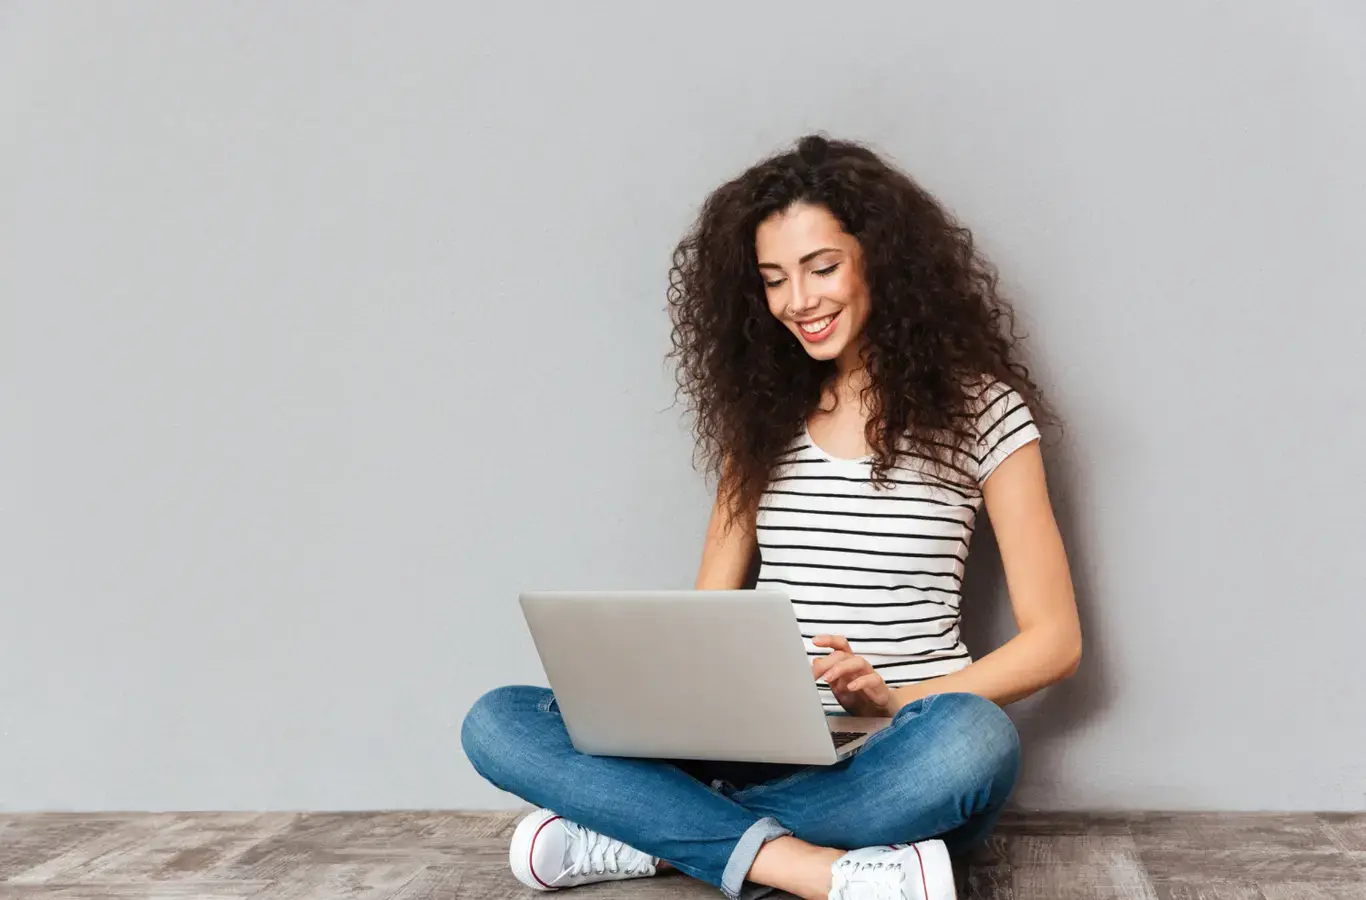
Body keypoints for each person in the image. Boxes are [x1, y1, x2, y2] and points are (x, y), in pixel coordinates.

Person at [461, 134, 1082, 900]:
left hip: (900, 749)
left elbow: (1056, 640)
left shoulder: (985, 411)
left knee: (976, 743)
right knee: (495, 721)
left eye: (822, 268)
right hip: (746, 747)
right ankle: (813, 869)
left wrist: (896, 700)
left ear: (881, 259)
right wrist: (664, 708)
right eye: (774, 280)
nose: (799, 301)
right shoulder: (761, 419)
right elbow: (708, 615)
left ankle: (651, 836)